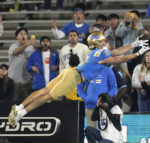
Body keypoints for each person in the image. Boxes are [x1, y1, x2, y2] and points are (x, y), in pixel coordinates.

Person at [8, 32, 149, 127]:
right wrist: (138, 52)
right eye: (103, 40)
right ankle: (21, 113)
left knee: (44, 91)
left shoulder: (96, 52)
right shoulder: (102, 52)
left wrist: (133, 44)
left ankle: (19, 108)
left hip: (69, 72)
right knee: (46, 97)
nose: (106, 42)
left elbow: (117, 52)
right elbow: (120, 57)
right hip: (74, 78)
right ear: (98, 42)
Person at [8, 27, 35, 102]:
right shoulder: (13, 46)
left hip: (27, 82)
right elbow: (15, 51)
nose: (23, 35)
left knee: (27, 103)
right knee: (13, 103)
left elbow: (34, 60)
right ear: (17, 37)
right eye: (21, 34)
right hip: (14, 82)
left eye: (25, 34)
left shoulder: (31, 48)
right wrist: (27, 44)